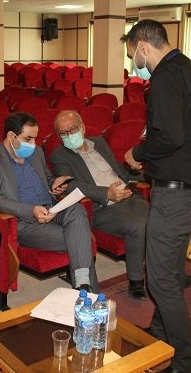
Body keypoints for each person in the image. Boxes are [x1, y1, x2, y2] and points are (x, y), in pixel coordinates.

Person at [121, 19, 191, 373]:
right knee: (171, 272)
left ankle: (184, 362)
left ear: (143, 47)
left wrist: (138, 153)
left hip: (174, 196)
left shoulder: (164, 77)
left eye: (132, 55)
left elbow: (169, 137)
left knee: (161, 281)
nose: (134, 62)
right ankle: (160, 332)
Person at [0, 112, 99, 292]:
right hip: (25, 222)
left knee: (77, 210)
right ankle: (86, 290)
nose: (33, 144)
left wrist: (54, 184)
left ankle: (82, 285)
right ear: (11, 136)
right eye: (28, 139)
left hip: (52, 208)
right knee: (81, 238)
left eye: (35, 138)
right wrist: (31, 210)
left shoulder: (37, 152)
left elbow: (47, 178)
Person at [50, 110, 148, 300]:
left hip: (128, 197)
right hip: (101, 207)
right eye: (63, 133)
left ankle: (161, 271)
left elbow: (119, 171)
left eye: (73, 129)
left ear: (83, 128)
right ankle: (136, 281)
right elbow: (71, 184)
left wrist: (149, 175)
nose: (69, 135)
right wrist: (106, 193)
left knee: (159, 219)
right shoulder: (59, 156)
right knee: (138, 225)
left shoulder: (99, 143)